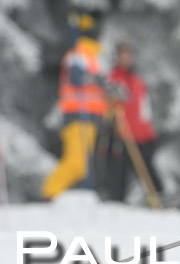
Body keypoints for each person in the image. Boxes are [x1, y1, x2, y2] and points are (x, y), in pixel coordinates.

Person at [42, 10, 106, 199]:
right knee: (76, 163)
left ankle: (53, 194)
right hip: (77, 113)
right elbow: (76, 78)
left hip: (91, 115)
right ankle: (50, 193)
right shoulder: (76, 54)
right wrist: (91, 78)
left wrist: (107, 87)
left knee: (83, 165)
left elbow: (97, 83)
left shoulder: (94, 57)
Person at [103, 39, 162, 202]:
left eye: (129, 55)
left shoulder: (137, 81)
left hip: (141, 136)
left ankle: (160, 200)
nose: (126, 59)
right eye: (123, 55)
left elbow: (145, 109)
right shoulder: (112, 78)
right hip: (120, 135)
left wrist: (149, 132)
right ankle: (115, 204)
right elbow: (105, 106)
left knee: (148, 172)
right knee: (118, 175)